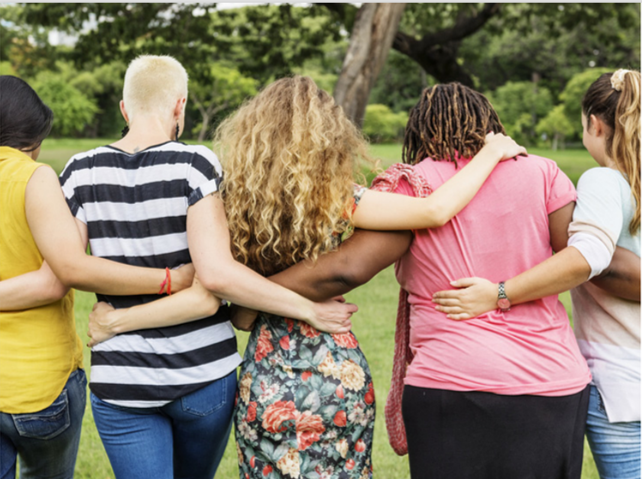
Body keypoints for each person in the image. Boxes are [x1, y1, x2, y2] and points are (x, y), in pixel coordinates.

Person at [86, 75, 526, 479]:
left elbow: (238, 315)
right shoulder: (336, 197)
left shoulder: (231, 200)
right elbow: (433, 210)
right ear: (329, 135)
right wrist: (489, 152)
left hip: (267, 376)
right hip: (335, 371)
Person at [245, 81, 640, 479]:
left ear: (421, 130)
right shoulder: (543, 173)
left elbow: (347, 269)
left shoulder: (410, 186)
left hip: (451, 383)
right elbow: (589, 259)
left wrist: (250, 294)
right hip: (552, 383)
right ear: (490, 125)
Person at [432, 70, 641, 479]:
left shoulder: (603, 180)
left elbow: (588, 255)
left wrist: (499, 293)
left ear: (594, 124)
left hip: (624, 386)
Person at [0, 76, 194, 479]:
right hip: (37, 385)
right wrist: (168, 280)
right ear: (32, 137)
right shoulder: (33, 178)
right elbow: (58, 277)